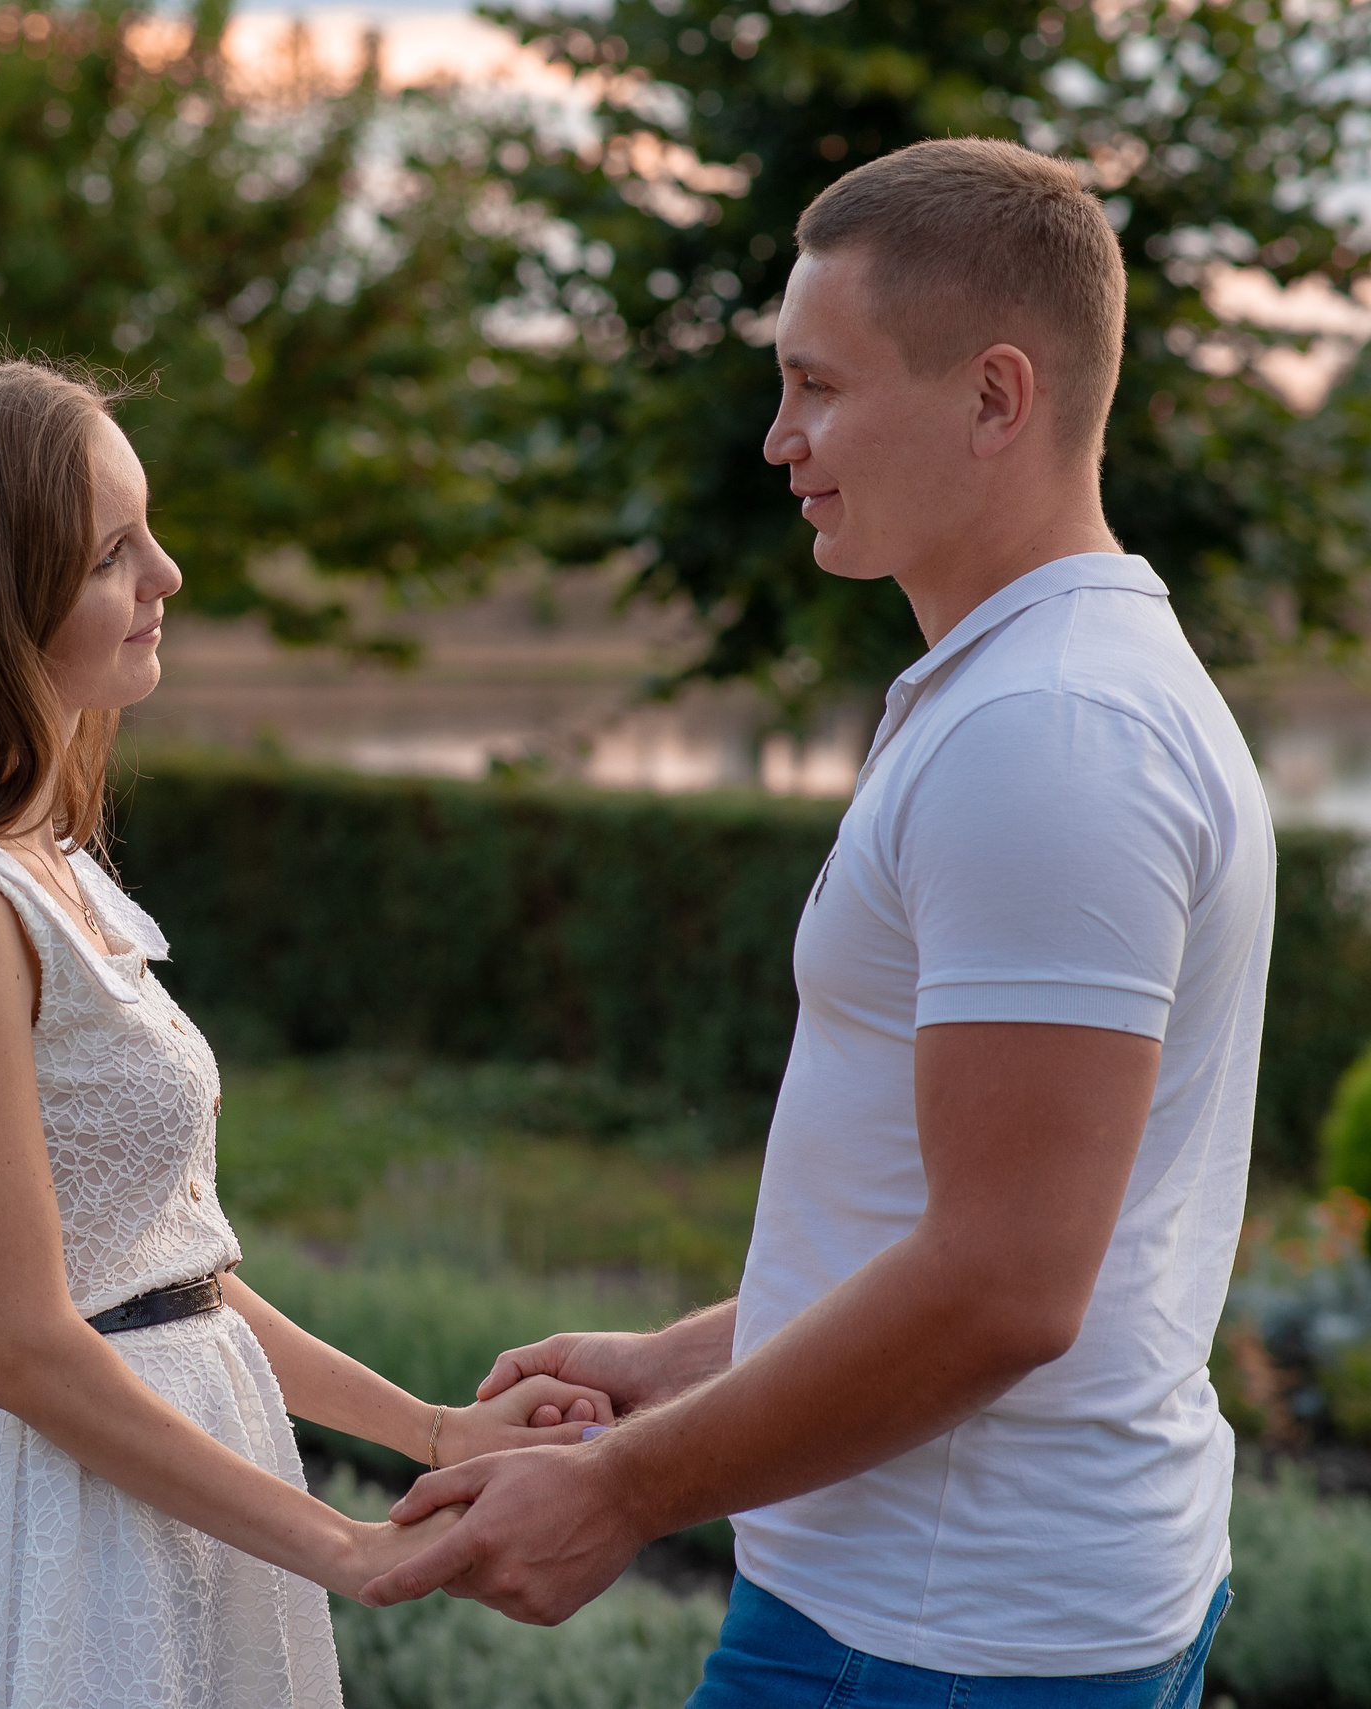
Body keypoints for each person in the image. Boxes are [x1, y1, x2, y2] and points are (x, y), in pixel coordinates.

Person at [364, 137, 1269, 1700]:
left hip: (936, 1636)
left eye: (820, 387)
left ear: (997, 398)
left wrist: (623, 1488)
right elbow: (998, 1222)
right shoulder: (1037, 689)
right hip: (967, 1604)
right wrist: (683, 1360)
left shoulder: (1050, 733)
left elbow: (1004, 1284)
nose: (779, 439)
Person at [0, 353, 614, 1709]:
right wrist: (347, 1547)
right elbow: (28, 1346)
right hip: (72, 1540)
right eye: (111, 552)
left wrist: (432, 1432)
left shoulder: (46, 869)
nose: (169, 573)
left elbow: (166, 1272)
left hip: (173, 1485)